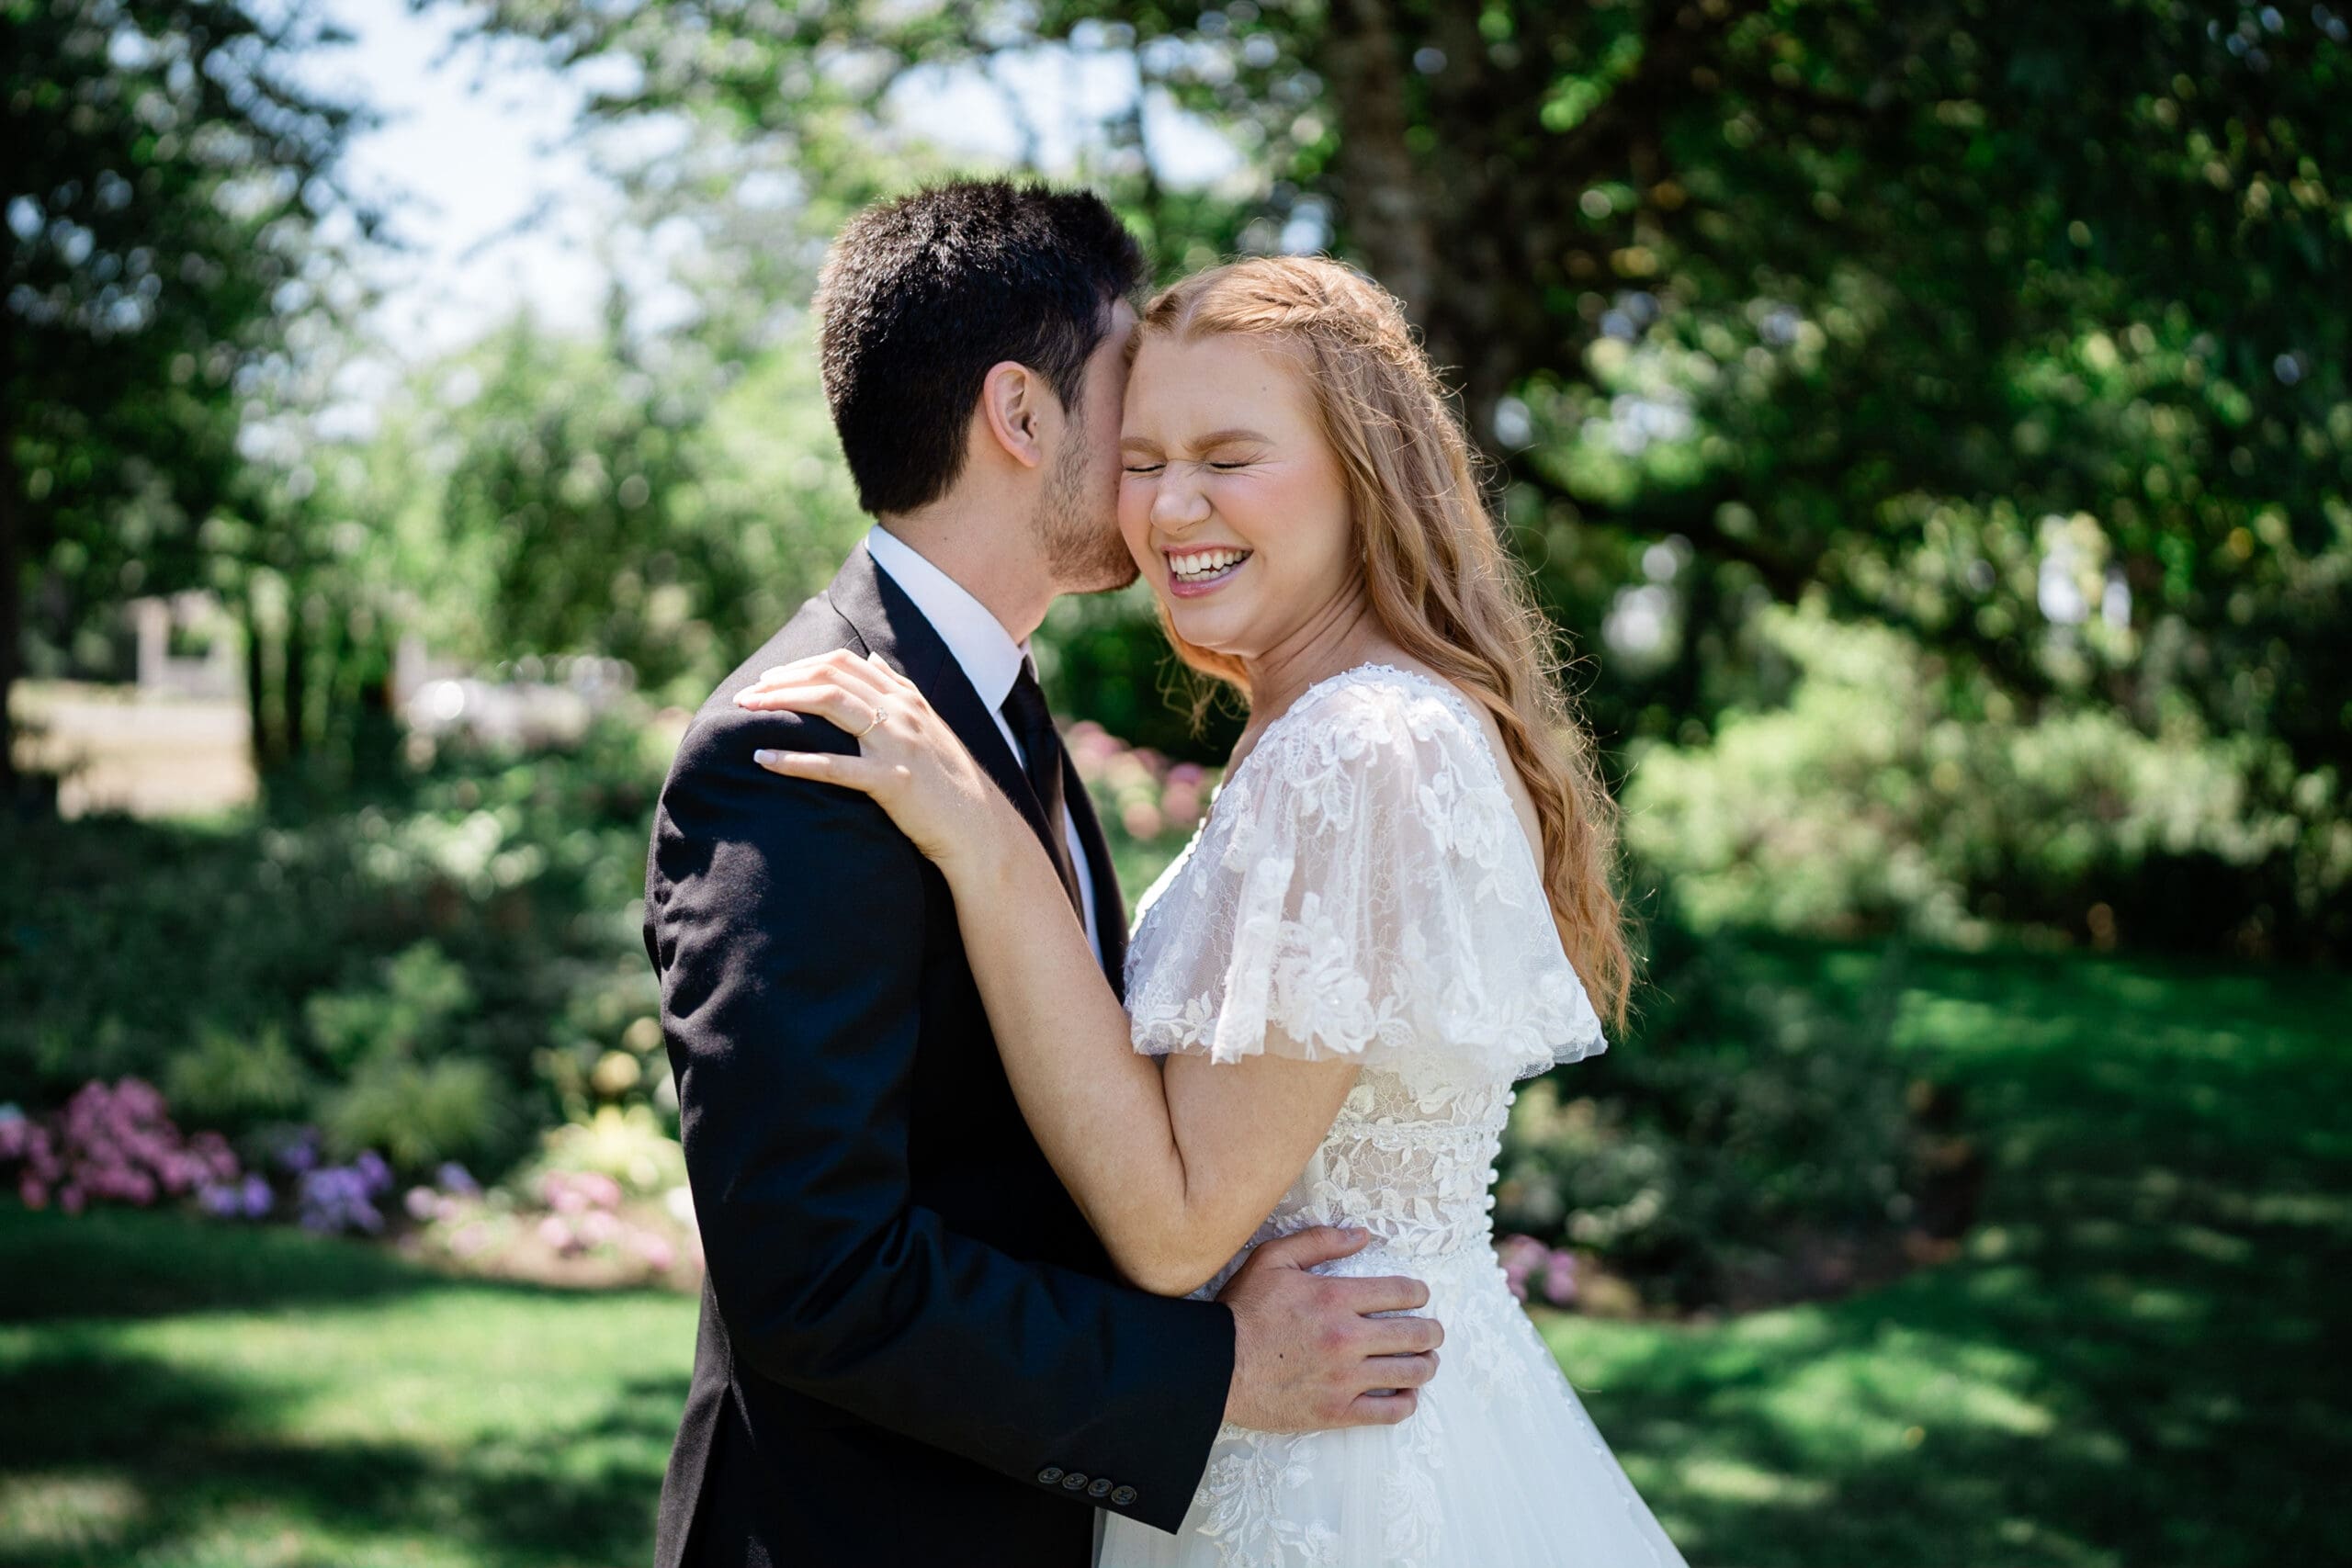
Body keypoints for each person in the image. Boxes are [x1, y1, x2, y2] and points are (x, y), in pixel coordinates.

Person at [739, 253, 1693, 1566]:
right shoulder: (1325, 729)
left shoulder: (1356, 746)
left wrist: (991, 847)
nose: (1169, 506)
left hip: (1339, 1478)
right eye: (1141, 458)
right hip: (1274, 1442)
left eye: (1228, 456)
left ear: (1366, 470)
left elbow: (1178, 1222)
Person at [641, 182, 1447, 1568]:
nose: (1156, 458)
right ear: (1022, 416)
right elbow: (816, 1275)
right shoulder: (805, 741)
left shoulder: (983, 710)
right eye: (1132, 399)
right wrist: (1210, 1374)